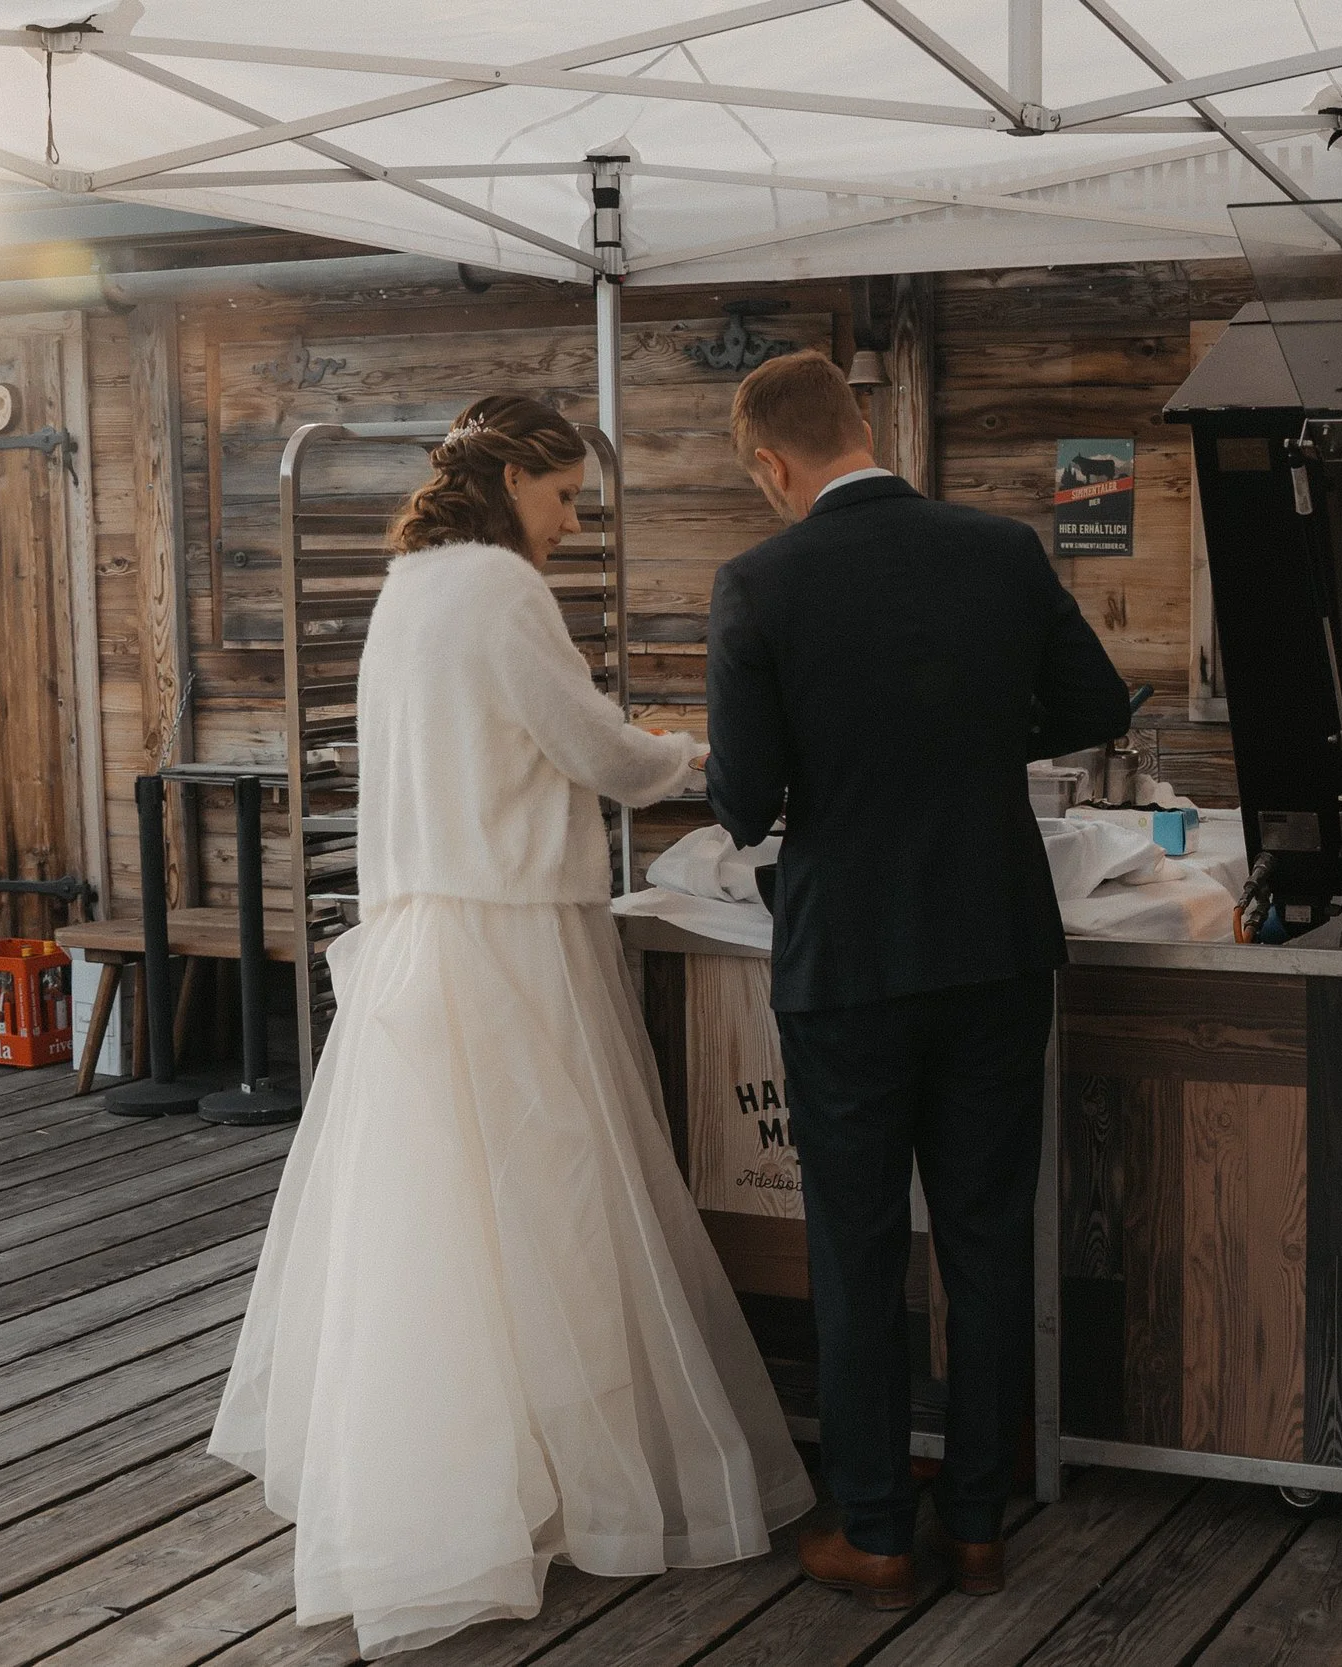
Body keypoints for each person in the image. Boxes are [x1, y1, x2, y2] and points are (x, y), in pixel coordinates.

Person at [210, 395, 812, 1658]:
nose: (571, 521)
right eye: (566, 496)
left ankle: (464, 1479)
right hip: (515, 932)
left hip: (423, 928)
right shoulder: (498, 587)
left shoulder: (407, 588)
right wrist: (684, 753)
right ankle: (563, 1475)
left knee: (442, 1220)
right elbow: (581, 741)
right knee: (552, 1204)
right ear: (516, 478)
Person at [705, 353, 1129, 1608]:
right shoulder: (999, 550)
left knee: (857, 1245)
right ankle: (982, 1521)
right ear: (867, 427)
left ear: (772, 465)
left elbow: (741, 797)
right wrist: (973, 732)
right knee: (989, 1234)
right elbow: (1092, 701)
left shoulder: (759, 581)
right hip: (995, 941)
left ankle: (880, 1529)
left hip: (848, 963)